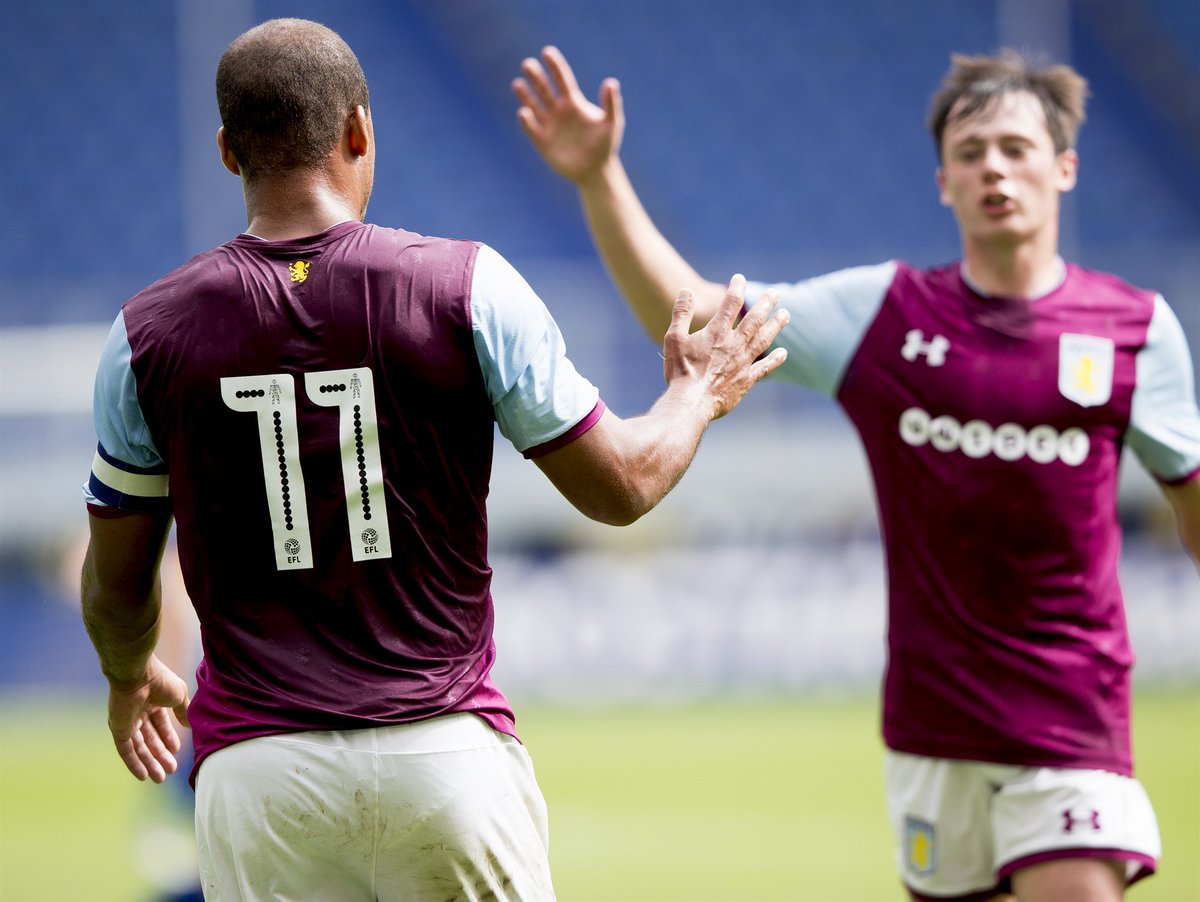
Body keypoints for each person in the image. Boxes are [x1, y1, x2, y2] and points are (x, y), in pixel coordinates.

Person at [79, 18, 789, 902]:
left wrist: (127, 670)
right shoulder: (466, 286)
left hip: (260, 776)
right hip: (445, 757)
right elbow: (624, 486)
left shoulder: (145, 334)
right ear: (359, 131)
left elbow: (116, 591)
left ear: (228, 152)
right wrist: (697, 393)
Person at [512, 45, 1200, 902]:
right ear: (943, 182)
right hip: (932, 733)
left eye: (1017, 149)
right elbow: (692, 311)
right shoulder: (887, 314)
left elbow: (1192, 499)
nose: (995, 168)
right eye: (971, 152)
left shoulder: (1135, 331)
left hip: (1075, 729)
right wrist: (599, 177)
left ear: (1063, 168)